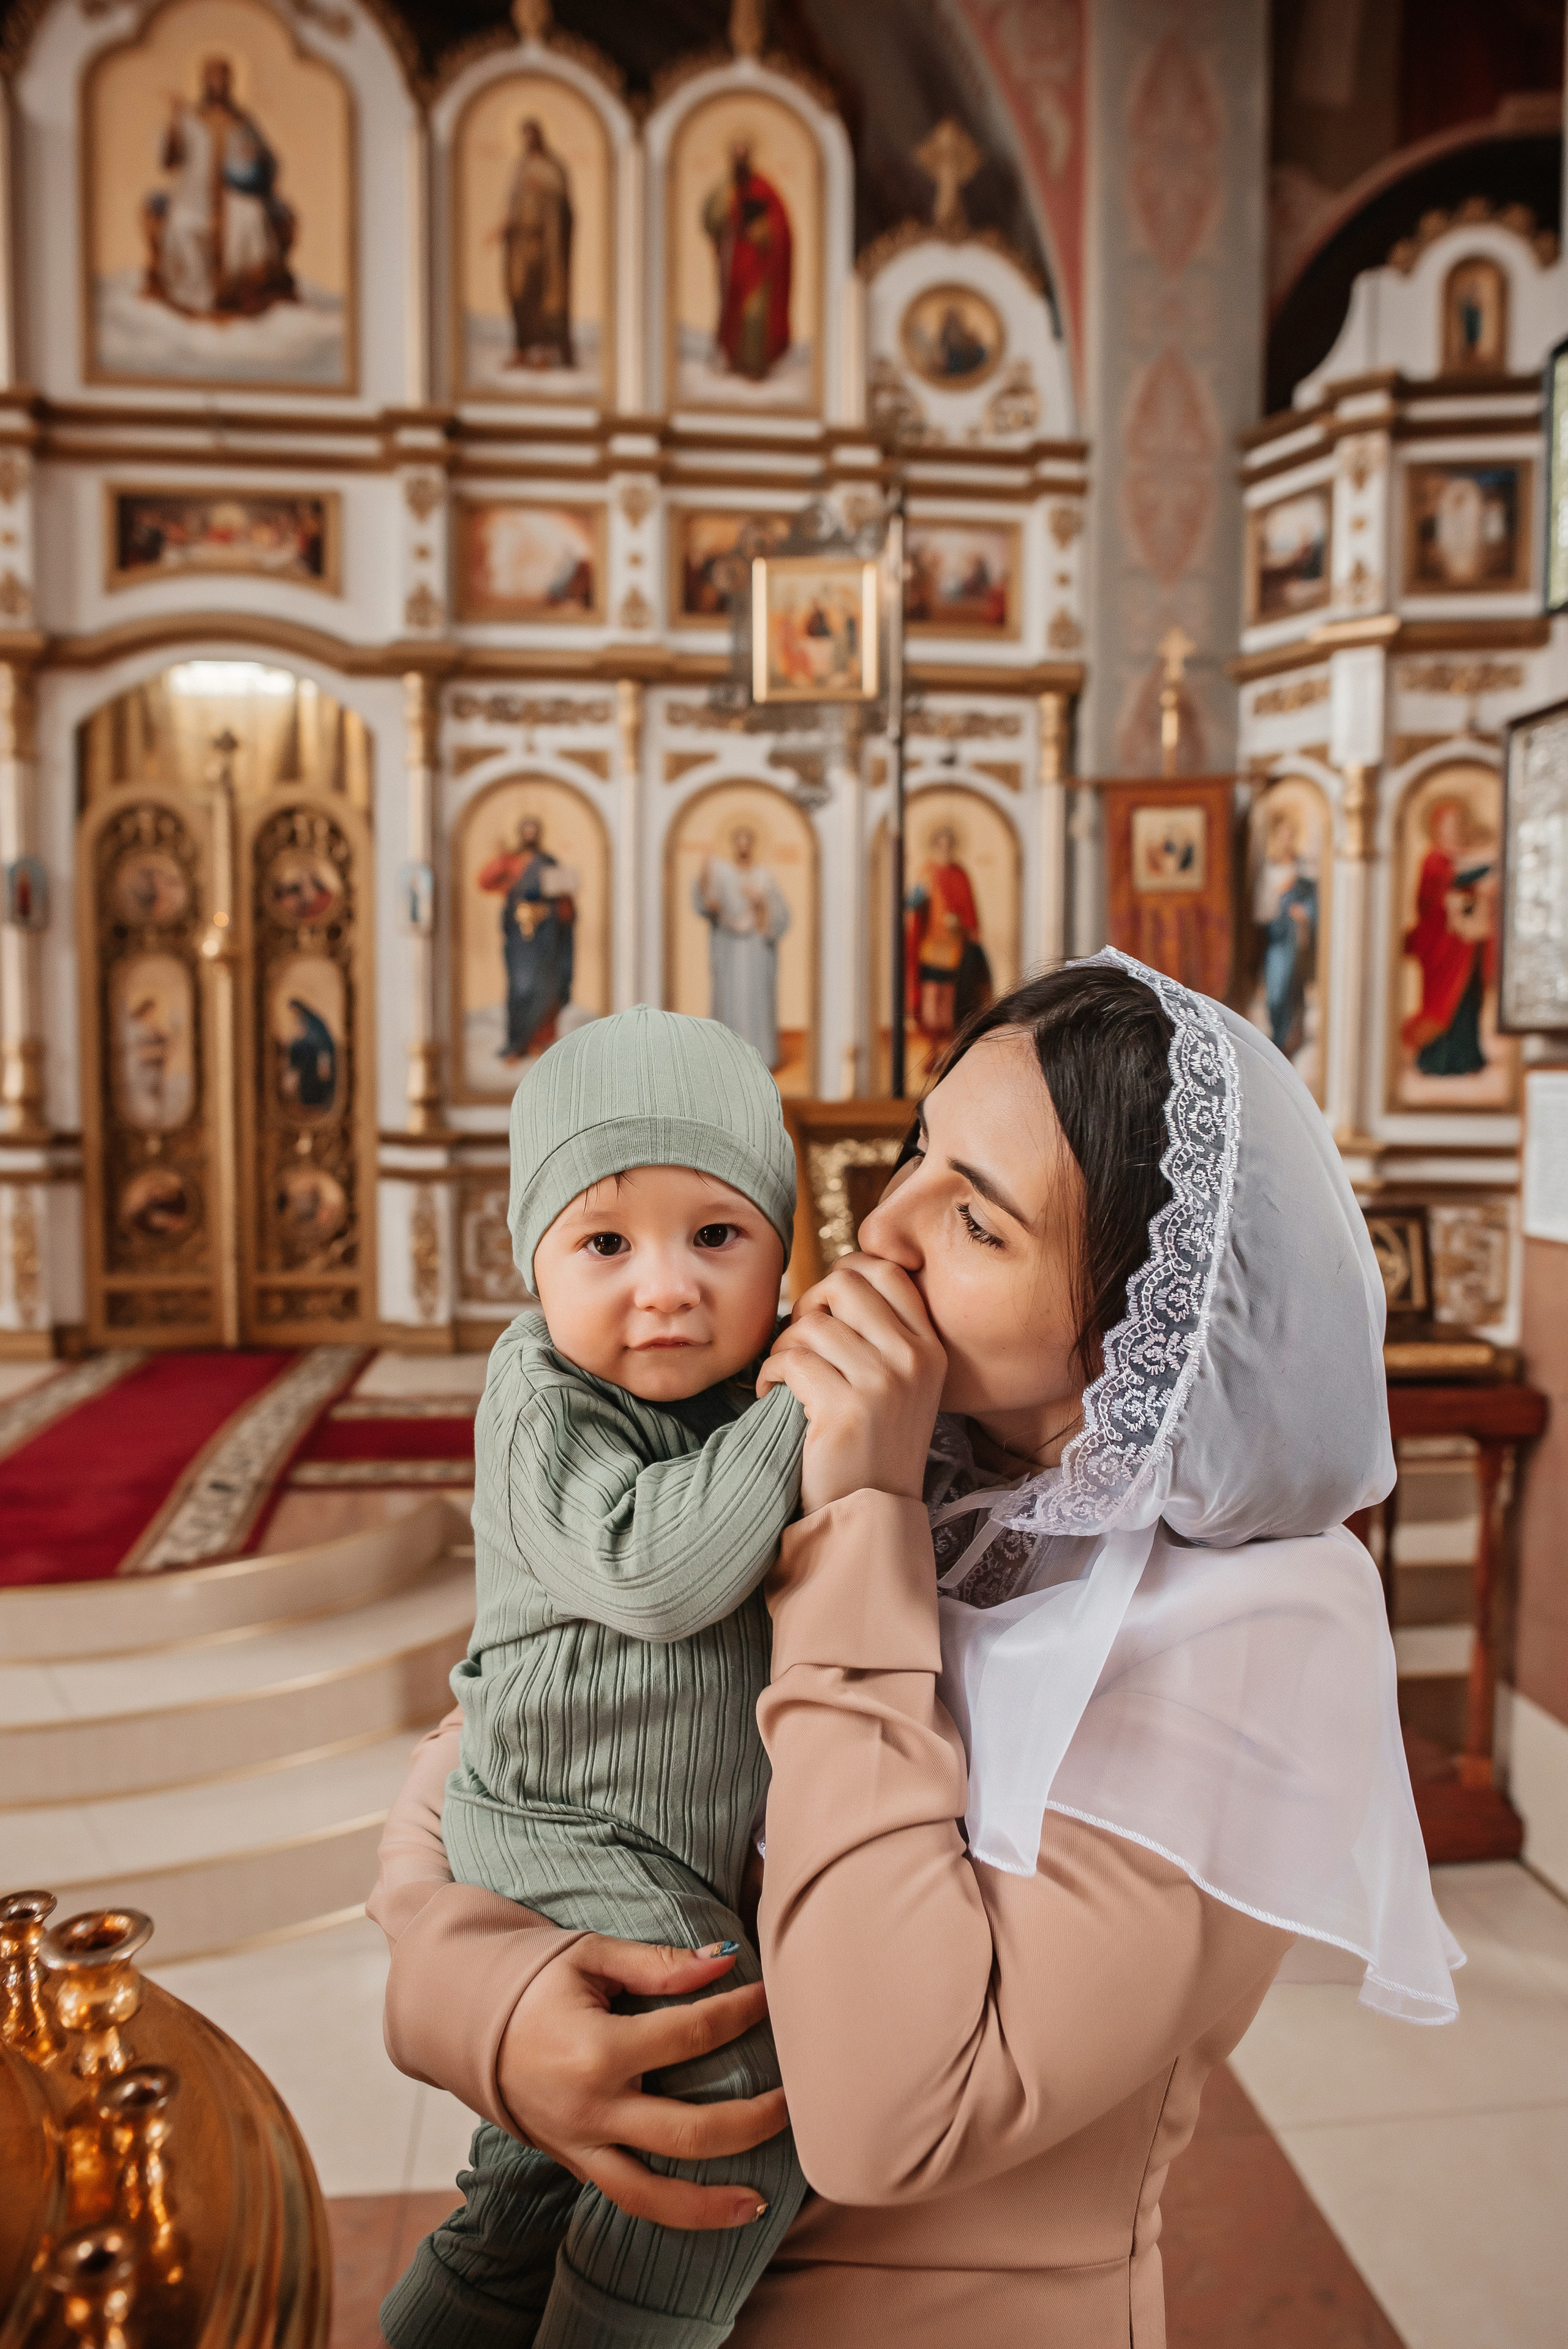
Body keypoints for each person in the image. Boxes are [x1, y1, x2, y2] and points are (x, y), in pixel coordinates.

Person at [371, 953, 1460, 2345]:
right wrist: (504, 2011)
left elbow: (884, 2117)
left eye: (975, 1220)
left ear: (1128, 1315)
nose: (875, 1231)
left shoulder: (1253, 1631)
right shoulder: (922, 1450)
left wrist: (861, 1524)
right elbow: (482, 1761)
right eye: (912, 1151)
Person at [380, 1008, 810, 2349]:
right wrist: (807, 1404)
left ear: (782, 1251)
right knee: (719, 2077)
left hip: (651, 1837)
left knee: (527, 2178)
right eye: (607, 1243)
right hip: (558, 1820)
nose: (667, 1287)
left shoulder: (735, 1392)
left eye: (718, 1236)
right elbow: (653, 1572)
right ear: (536, 1260)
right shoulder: (539, 1394)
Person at [142, 58, 296, 320]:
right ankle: (194, 298)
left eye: (224, 78)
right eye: (213, 78)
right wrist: (174, 122)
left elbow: (270, 161)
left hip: (235, 194)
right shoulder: (189, 118)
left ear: (230, 83)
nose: (219, 84)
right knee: (182, 226)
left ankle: (242, 292)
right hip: (193, 194)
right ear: (205, 82)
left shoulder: (243, 120)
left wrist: (255, 158)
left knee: (252, 220)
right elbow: (169, 161)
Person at [1401, 795, 1497, 1078]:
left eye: (1458, 824)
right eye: (1448, 824)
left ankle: (1468, 1057)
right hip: (1441, 947)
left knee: (1469, 999)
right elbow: (1438, 895)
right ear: (1437, 827)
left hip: (1466, 945)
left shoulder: (1460, 856)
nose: (1453, 829)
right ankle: (1438, 1059)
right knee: (1443, 1002)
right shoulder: (1434, 859)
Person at [477, 817, 578, 1064]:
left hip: (547, 937)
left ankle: (540, 1040)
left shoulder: (548, 862)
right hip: (520, 938)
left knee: (548, 986)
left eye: (535, 831)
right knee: (521, 989)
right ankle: (518, 1043)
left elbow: (564, 901)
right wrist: (501, 860)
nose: (530, 836)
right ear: (520, 834)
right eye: (527, 831)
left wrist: (565, 899)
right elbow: (486, 881)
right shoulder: (511, 862)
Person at [695, 826, 791, 1069]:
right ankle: (727, 1057)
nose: (743, 845)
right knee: (729, 998)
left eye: (748, 840)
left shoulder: (763, 875)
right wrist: (705, 879)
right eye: (739, 840)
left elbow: (781, 915)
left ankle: (761, 1057)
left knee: (757, 999)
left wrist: (762, 902)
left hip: (756, 949)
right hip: (729, 949)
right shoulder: (723, 873)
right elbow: (708, 903)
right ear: (734, 843)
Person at [703, 142, 792, 382]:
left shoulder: (763, 187)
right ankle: (733, 361)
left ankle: (757, 367)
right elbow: (711, 219)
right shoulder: (725, 187)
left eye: (743, 156)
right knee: (731, 311)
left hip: (760, 264)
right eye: (735, 156)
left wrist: (763, 231)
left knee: (754, 314)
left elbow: (779, 226)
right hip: (735, 262)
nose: (739, 161)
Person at [905, 824, 990, 1046]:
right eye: (941, 844)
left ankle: (946, 1046)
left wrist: (964, 926)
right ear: (935, 846)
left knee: (950, 993)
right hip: (931, 943)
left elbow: (970, 909)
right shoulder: (927, 872)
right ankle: (933, 1046)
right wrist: (915, 901)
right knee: (932, 992)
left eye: (949, 844)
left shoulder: (960, 874)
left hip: (954, 944)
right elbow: (915, 903)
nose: (945, 849)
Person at [501, 119, 575, 370]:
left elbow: (561, 199)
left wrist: (542, 187)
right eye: (525, 136)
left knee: (546, 299)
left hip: (547, 246)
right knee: (519, 294)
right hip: (521, 244)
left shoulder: (552, 166)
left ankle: (545, 353)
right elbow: (514, 202)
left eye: (532, 135)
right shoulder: (522, 165)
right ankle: (522, 351)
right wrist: (506, 225)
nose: (529, 141)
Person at [1251, 803, 1317, 1060]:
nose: (1287, 840)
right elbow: (1261, 910)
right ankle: (1277, 1039)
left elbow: (1314, 904)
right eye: (1283, 835)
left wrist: (1305, 914)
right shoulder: (1271, 870)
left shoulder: (1303, 871)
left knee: (1296, 992)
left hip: (1299, 940)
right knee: (1276, 993)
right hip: (1278, 939)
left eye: (1291, 835)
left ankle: (1291, 1044)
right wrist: (1279, 898)